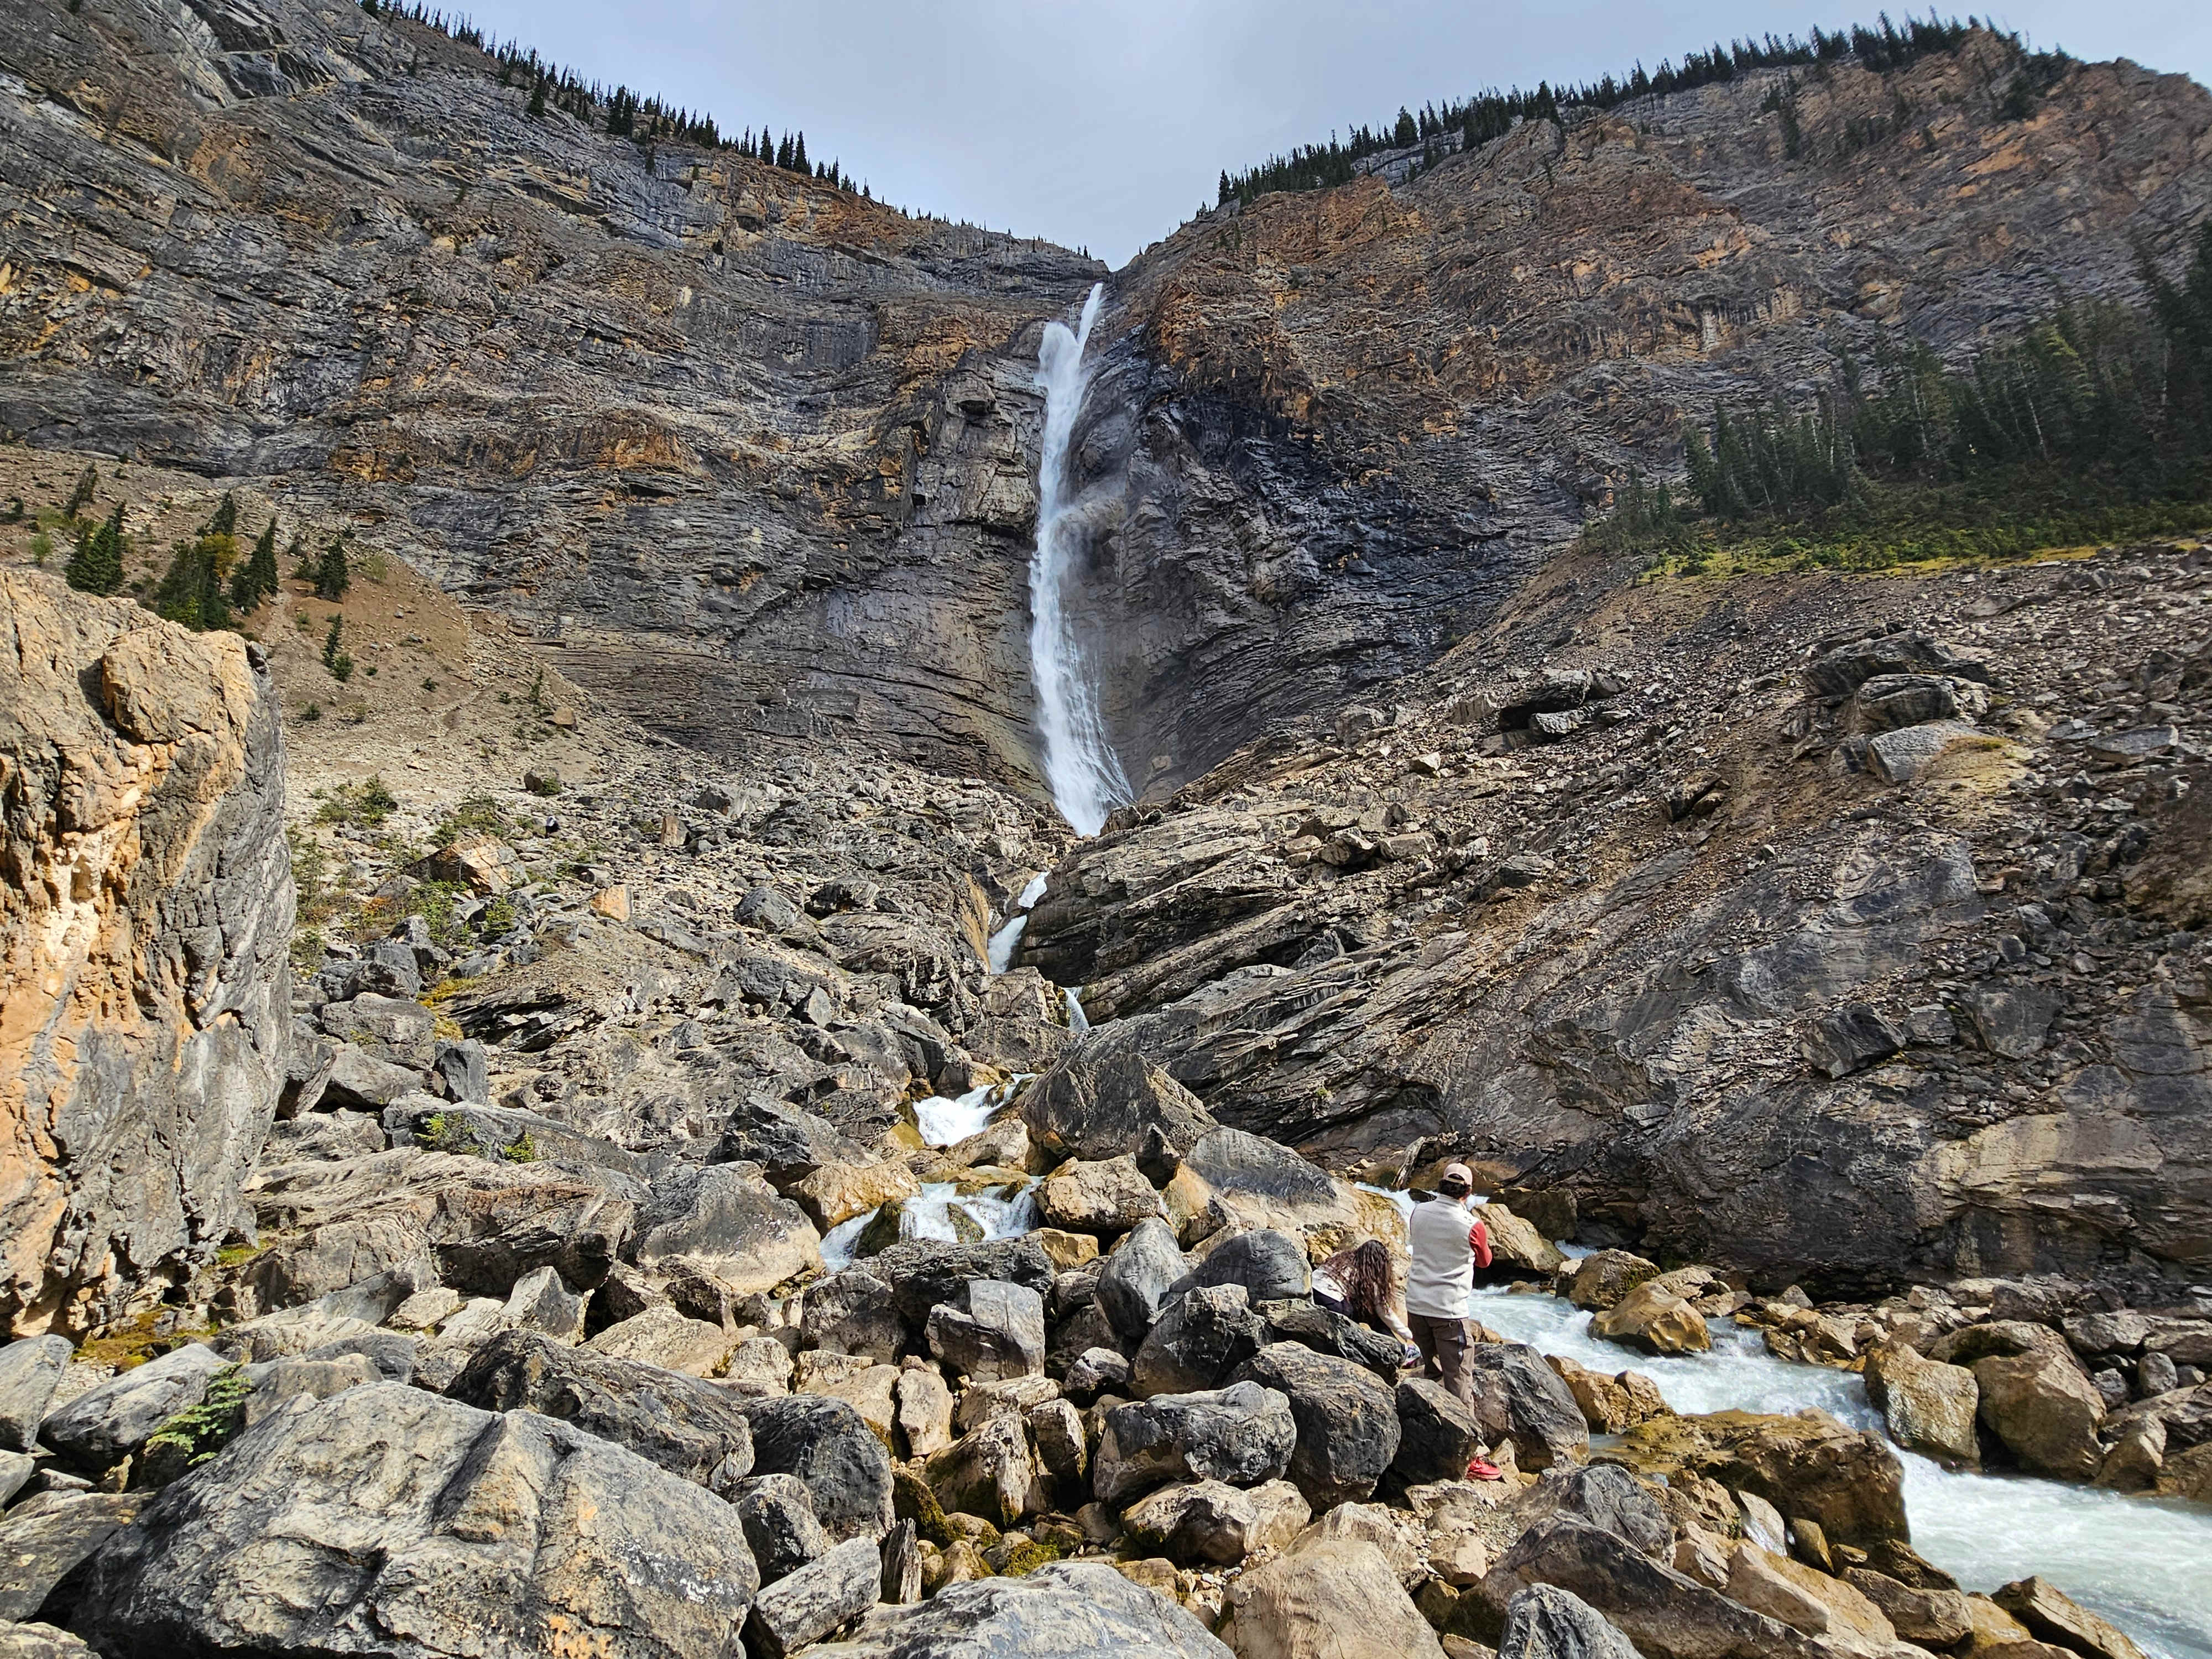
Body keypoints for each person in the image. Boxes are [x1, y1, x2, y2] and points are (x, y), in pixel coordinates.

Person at [1405, 1162, 1491, 1411]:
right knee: (1459, 1383)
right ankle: (1470, 1444)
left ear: (1441, 1186)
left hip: (1416, 1306)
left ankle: (1435, 1427)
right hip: (1449, 1313)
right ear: (1468, 1192)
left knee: (1433, 1373)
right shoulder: (1472, 1225)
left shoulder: (1418, 1212)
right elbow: (1485, 1261)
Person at [1312, 1238, 1420, 1369]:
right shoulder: (1368, 1277)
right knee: (1373, 1316)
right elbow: (1384, 1312)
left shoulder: (1339, 1258)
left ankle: (1401, 1349)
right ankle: (1403, 1351)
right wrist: (1408, 1334)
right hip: (1332, 1303)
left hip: (1313, 1293)